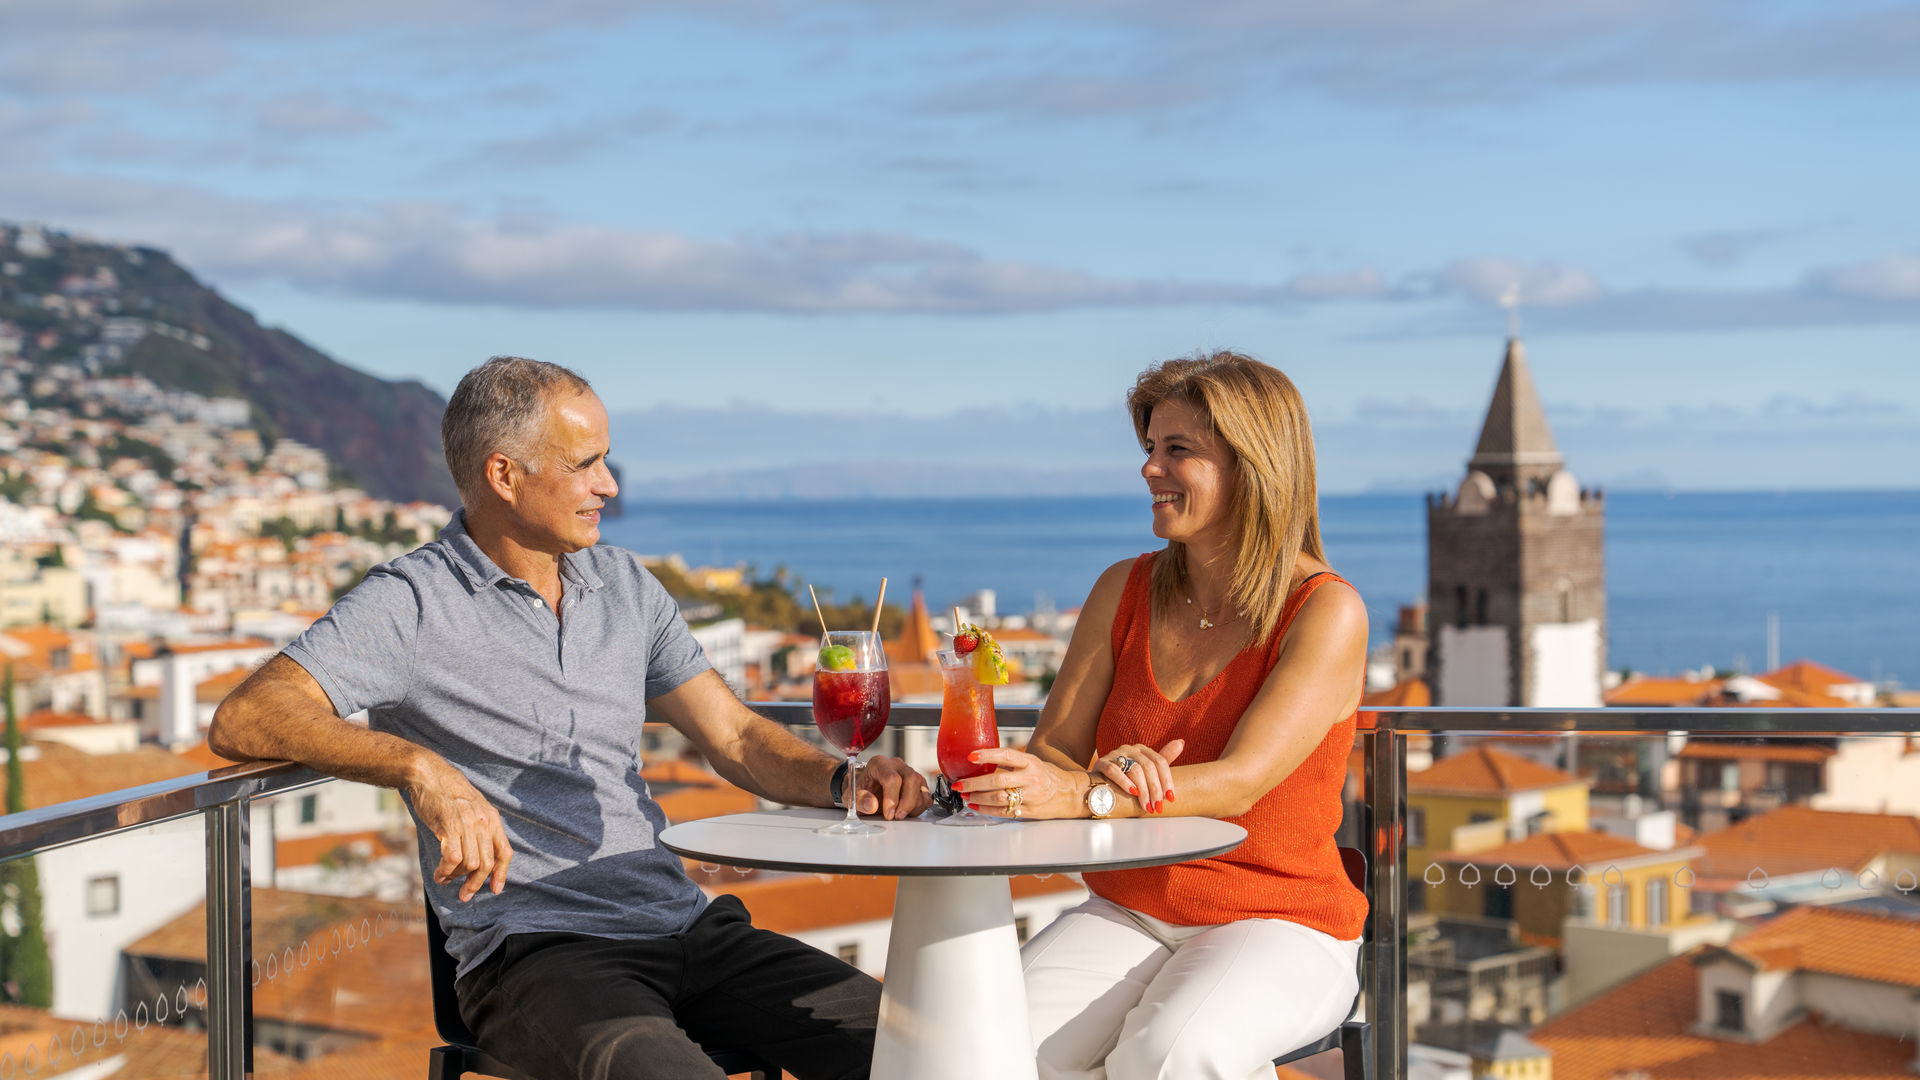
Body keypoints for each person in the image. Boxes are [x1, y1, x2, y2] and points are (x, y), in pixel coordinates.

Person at [209, 356, 929, 1080]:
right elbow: (246, 716)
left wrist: (845, 782)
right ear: (504, 475)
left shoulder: (625, 585)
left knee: (929, 1051)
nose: (609, 486)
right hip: (540, 955)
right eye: (586, 464)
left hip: (687, 925)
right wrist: (417, 767)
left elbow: (735, 736)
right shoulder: (413, 602)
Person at [954, 351, 1369, 1080]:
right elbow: (1054, 750)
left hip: (1280, 920)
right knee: (978, 1052)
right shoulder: (1123, 590)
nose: (1150, 468)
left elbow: (1240, 781)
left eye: (1178, 449)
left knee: (1168, 1053)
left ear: (1253, 466)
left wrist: (1094, 792)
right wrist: (1095, 773)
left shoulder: (1325, 611)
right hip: (1130, 906)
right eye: (1151, 446)